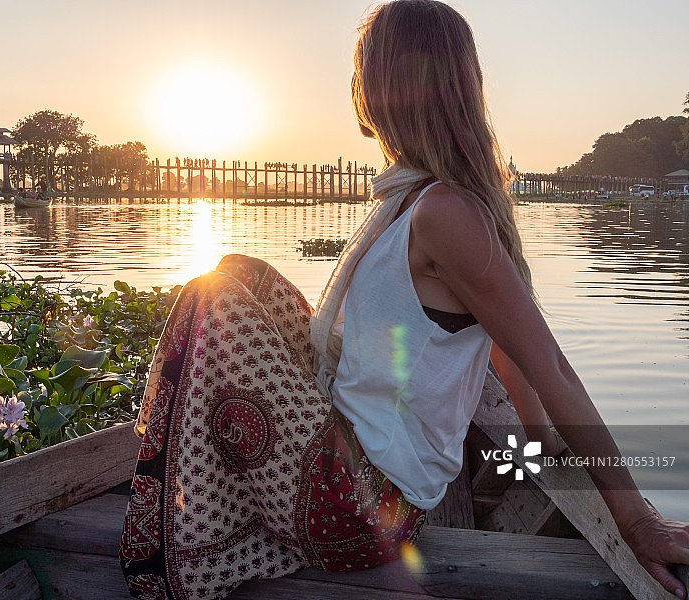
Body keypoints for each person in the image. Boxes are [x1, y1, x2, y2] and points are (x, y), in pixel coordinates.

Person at [119, 2, 689, 599]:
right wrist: (536, 433)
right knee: (242, 276)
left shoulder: (444, 212)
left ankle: (174, 539)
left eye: (362, 70)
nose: (354, 85)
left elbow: (549, 365)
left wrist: (637, 521)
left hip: (367, 501)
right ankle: (208, 509)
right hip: (351, 465)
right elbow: (501, 340)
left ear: (385, 87)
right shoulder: (409, 200)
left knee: (212, 301)